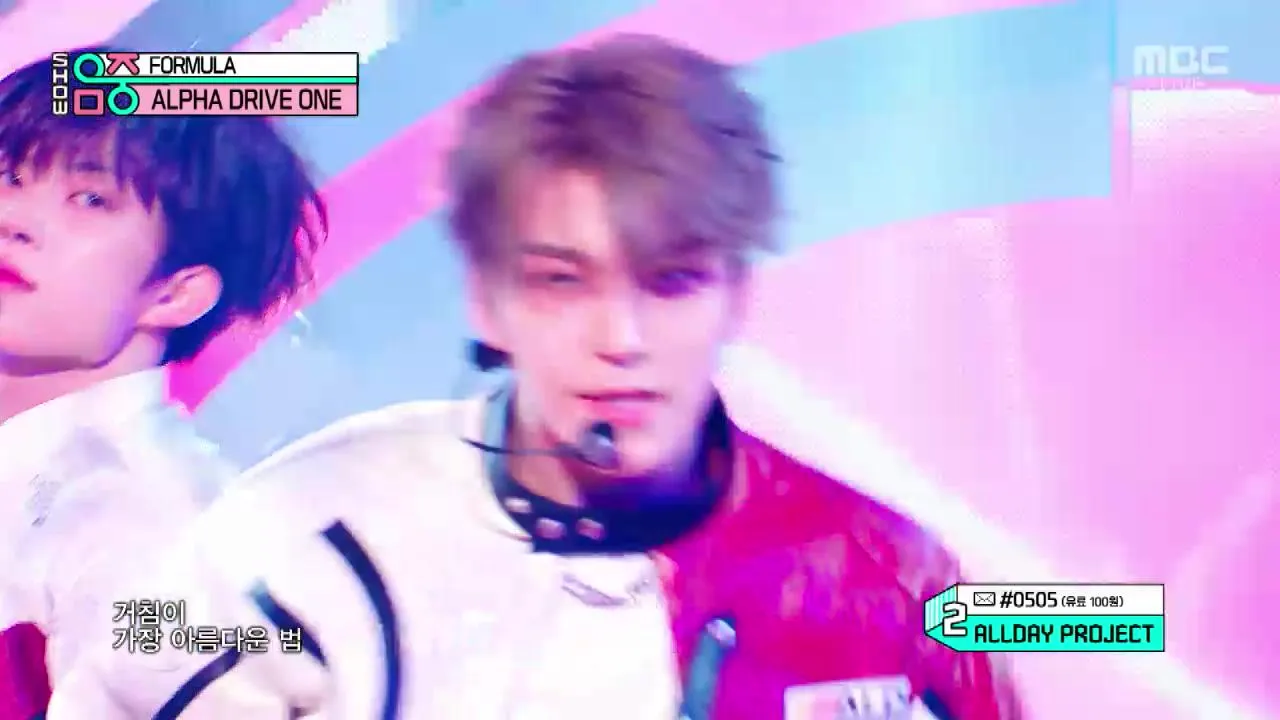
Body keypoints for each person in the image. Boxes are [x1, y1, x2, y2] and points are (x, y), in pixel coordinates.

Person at [49, 35, 1021, 719]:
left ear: (735, 296)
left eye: (672, 281)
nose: (621, 338)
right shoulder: (293, 535)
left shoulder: (886, 578)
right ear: (486, 300)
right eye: (563, 281)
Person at [0, 48, 325, 717]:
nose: (13, 218)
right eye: (8, 175)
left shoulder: (149, 519)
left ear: (176, 294)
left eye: (90, 199)